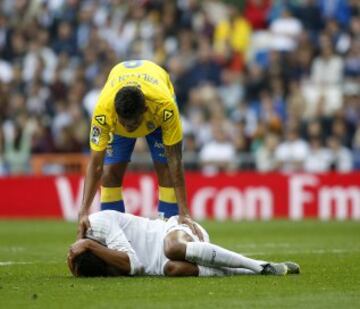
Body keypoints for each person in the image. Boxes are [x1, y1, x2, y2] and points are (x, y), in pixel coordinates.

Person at [77, 60, 202, 240]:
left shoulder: (165, 106)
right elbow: (96, 166)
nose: (130, 129)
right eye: (124, 123)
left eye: (134, 124)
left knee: (166, 169)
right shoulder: (104, 111)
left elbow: (175, 161)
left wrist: (185, 211)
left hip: (156, 114)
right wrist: (83, 212)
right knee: (109, 173)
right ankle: (113, 237)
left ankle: (169, 229)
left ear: (144, 110)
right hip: (121, 97)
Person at [67, 210, 300, 277]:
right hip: (160, 265)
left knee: (172, 248)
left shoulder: (100, 222)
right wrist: (83, 250)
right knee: (173, 268)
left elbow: (134, 265)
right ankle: (248, 273)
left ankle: (258, 265)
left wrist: (88, 245)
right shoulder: (91, 262)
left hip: (172, 232)